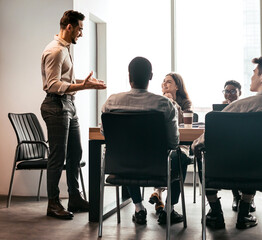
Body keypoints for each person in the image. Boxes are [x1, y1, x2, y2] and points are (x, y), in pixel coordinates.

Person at [192, 55, 262, 230]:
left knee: (201, 153)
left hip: (221, 171)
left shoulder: (237, 107)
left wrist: (196, 145)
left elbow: (205, 140)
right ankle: (244, 212)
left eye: (254, 73)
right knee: (256, 156)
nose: (252, 77)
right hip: (260, 174)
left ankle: (215, 212)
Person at [101, 57, 187, 225]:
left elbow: (107, 135)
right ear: (151, 76)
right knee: (182, 157)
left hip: (122, 165)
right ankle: (168, 210)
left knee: (129, 154)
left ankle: (139, 208)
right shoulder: (164, 104)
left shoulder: (111, 102)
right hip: (157, 166)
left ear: (129, 76)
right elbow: (173, 142)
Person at [40, 10, 106, 220]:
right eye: (80, 29)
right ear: (70, 27)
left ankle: (74, 198)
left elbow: (64, 79)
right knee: (57, 157)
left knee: (75, 153)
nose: (81, 34)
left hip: (68, 105)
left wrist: (87, 84)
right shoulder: (56, 51)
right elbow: (53, 85)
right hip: (56, 105)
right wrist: (84, 87)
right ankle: (53, 203)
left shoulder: (65, 49)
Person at [149, 72, 192, 214]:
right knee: (164, 158)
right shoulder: (156, 100)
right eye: (163, 81)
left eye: (168, 82)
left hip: (179, 143)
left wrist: (172, 103)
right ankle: (160, 196)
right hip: (160, 144)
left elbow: (181, 123)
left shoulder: (186, 103)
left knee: (179, 157)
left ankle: (162, 197)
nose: (164, 84)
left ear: (177, 86)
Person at [221, 80, 256, 212]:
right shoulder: (221, 108)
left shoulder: (246, 107)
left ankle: (248, 198)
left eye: (233, 91)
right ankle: (236, 197)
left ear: (239, 93)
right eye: (226, 91)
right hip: (227, 144)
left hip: (245, 144)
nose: (229, 94)